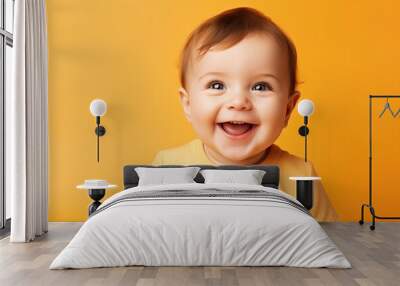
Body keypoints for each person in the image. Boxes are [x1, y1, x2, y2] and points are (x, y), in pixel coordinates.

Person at [152, 7, 337, 221]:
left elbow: (328, 242)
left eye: (260, 87)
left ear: (287, 109)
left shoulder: (301, 175)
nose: (239, 102)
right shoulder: (166, 165)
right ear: (188, 104)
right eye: (217, 84)